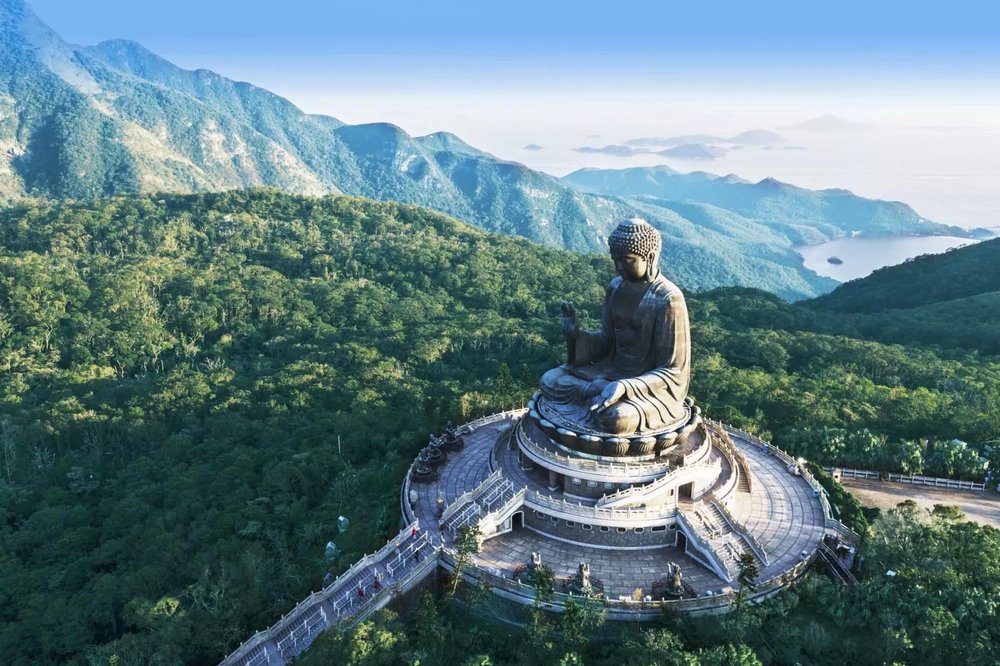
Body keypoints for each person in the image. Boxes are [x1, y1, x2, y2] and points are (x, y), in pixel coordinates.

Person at [539, 218, 691, 435]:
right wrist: (576, 335)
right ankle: (594, 392)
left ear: (650, 257)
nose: (619, 267)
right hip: (606, 373)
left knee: (617, 418)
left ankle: (598, 399)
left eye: (627, 260)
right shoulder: (616, 287)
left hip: (646, 388)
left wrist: (626, 387)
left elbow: (674, 371)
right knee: (550, 380)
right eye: (615, 260)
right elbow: (607, 341)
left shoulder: (668, 298)